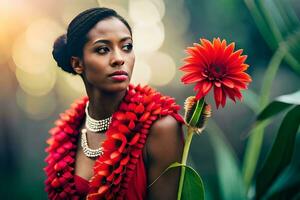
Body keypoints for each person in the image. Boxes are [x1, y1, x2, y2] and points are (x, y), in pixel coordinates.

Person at [44, 7, 184, 200]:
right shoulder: (69, 133)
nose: (119, 59)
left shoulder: (161, 127)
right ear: (77, 63)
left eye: (127, 47)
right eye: (103, 49)